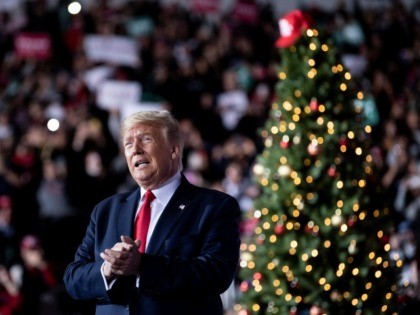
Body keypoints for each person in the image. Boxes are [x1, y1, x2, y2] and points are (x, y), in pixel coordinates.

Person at [63, 110, 241, 315]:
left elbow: (216, 273)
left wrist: (142, 266)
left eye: (145, 139)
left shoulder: (214, 206)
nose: (135, 150)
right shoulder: (105, 210)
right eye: (128, 144)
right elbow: (73, 277)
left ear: (174, 150)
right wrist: (107, 270)